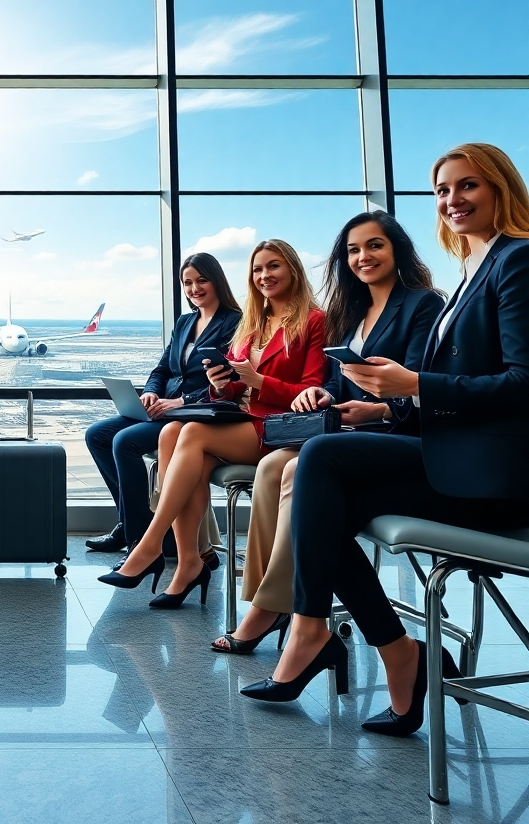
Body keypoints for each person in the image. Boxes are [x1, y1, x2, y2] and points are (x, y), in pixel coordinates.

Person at [242, 143, 529, 737]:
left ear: (501, 188)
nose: (453, 200)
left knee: (318, 465)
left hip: (492, 477)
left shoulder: (518, 261)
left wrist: (413, 385)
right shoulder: (473, 272)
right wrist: (398, 391)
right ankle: (393, 651)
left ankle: (317, 630)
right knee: (321, 498)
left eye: (468, 186)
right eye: (443, 190)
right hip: (451, 455)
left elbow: (523, 383)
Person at [213, 213, 444, 654]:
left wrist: (375, 408)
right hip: (345, 427)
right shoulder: (349, 313)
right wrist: (319, 393)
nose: (363, 257)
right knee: (272, 467)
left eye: (374, 246)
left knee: (297, 469)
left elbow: (419, 382)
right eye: (354, 250)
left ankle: (274, 605)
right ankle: (271, 598)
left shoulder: (421, 303)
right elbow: (337, 383)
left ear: (397, 249)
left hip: (390, 431)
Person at [99, 239, 326, 610]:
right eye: (257, 269)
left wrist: (256, 382)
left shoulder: (313, 321)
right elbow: (231, 387)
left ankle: (150, 545)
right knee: (174, 433)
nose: (264, 275)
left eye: (273, 266)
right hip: (241, 418)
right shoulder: (253, 322)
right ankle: (190, 561)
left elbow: (310, 392)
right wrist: (223, 384)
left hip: (278, 425)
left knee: (186, 431)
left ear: (293, 270)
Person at [84, 253, 241, 564]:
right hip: (164, 409)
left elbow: (231, 380)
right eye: (187, 283)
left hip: (194, 416)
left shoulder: (234, 323)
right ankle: (128, 524)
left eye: (201, 280)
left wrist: (181, 402)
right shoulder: (185, 322)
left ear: (217, 281)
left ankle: (139, 543)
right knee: (97, 435)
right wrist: (152, 394)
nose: (194, 288)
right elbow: (161, 370)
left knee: (124, 442)